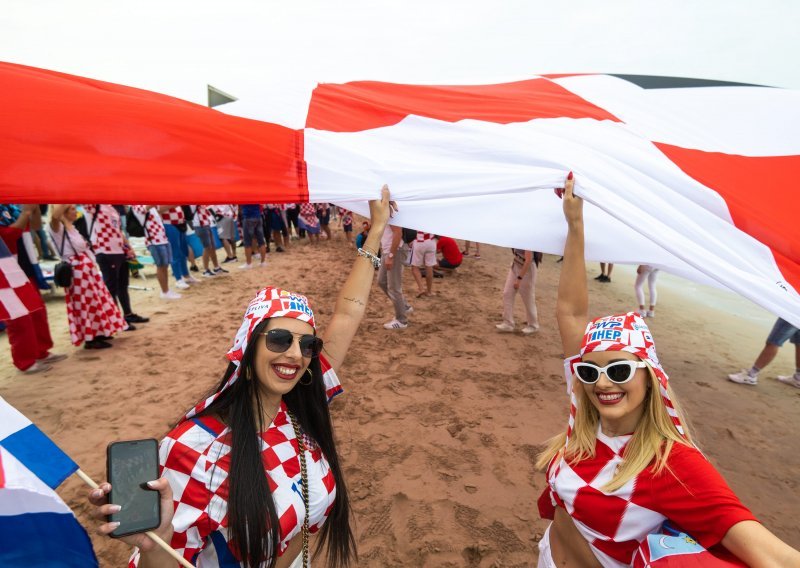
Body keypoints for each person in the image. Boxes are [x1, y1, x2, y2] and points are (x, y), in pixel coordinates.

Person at [88, 187, 396, 568]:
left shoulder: (297, 409)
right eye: (280, 339)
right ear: (246, 352)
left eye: (308, 344)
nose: (296, 355)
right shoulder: (193, 449)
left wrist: (378, 227)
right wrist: (157, 542)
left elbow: (349, 313)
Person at [535, 172, 800, 567]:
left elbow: (772, 554)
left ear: (650, 375)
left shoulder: (671, 462)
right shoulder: (585, 419)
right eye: (589, 372)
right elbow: (571, 312)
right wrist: (575, 223)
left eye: (620, 371)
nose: (601, 383)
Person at [49, 205, 128, 348]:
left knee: (95, 303)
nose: (76, 211)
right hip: (77, 273)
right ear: (63, 213)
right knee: (85, 305)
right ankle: (91, 338)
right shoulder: (58, 229)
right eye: (72, 209)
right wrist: (65, 196)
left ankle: (99, 332)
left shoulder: (72, 228)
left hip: (87, 271)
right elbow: (54, 216)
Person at [0, 204, 66, 373]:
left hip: (25, 266)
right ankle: (25, 361)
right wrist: (27, 211)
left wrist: (34, 209)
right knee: (19, 319)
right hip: (6, 273)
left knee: (37, 312)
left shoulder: (12, 206)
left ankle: (41, 352)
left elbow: (35, 226)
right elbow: (8, 235)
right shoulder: (16, 209)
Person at [83, 205, 149, 327]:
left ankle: (128, 315)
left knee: (123, 285)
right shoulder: (94, 205)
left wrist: (128, 246)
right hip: (106, 251)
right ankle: (116, 320)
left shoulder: (112, 208)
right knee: (111, 288)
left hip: (119, 250)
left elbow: (118, 230)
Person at [728, 317, 800, 388]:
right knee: (798, 341)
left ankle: (751, 375)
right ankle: (798, 378)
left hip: (793, 313)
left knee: (774, 341)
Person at [130, 205, 181, 300]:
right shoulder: (137, 206)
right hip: (154, 240)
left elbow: (161, 208)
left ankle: (166, 290)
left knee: (165, 265)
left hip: (162, 238)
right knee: (161, 265)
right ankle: (164, 291)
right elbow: (146, 208)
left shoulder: (151, 207)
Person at [495, 248, 540, 335]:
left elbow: (529, 260)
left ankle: (533, 325)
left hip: (527, 269)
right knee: (507, 293)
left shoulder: (528, 240)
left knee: (528, 298)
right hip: (516, 264)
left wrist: (519, 278)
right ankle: (508, 323)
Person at [377, 224, 411, 330]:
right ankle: (404, 306)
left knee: (394, 287)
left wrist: (391, 256)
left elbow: (398, 232)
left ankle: (402, 320)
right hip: (387, 250)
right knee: (381, 281)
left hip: (395, 250)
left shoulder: (390, 210)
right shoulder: (384, 209)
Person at [160, 206, 199, 290]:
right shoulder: (162, 197)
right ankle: (178, 279)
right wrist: (174, 204)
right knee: (175, 253)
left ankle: (186, 275)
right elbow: (158, 210)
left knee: (183, 252)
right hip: (169, 224)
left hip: (180, 224)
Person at [191, 205, 227, 277]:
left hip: (206, 224)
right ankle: (206, 270)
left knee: (212, 247)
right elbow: (191, 212)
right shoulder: (193, 203)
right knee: (207, 247)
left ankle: (216, 267)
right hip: (200, 226)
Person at [240, 204, 267, 269]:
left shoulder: (243, 195)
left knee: (247, 242)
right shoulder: (255, 194)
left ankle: (249, 264)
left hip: (248, 217)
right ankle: (263, 262)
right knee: (261, 241)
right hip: (258, 217)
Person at [410, 231, 436, 298]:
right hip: (431, 241)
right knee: (429, 266)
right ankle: (429, 291)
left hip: (419, 241)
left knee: (415, 267)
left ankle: (421, 289)